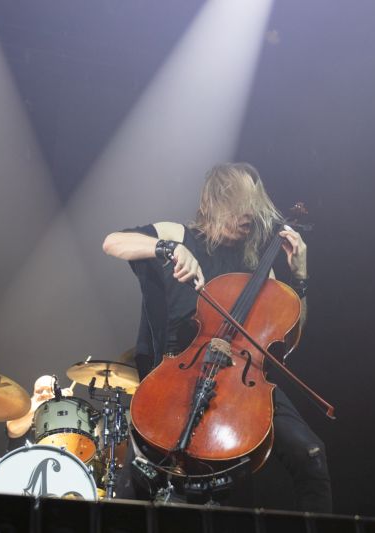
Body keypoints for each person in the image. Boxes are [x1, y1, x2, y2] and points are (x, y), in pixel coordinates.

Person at [102, 162, 331, 512]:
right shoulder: (179, 234)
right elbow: (112, 242)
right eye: (241, 205)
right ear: (214, 202)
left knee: (310, 453)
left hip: (242, 379)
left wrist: (300, 278)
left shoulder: (258, 266)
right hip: (179, 371)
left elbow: (290, 333)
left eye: (254, 208)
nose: (250, 216)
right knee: (138, 481)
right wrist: (167, 248)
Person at [6, 375, 73, 451]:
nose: (44, 394)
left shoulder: (63, 414)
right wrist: (49, 400)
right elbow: (13, 429)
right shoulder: (23, 408)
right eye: (39, 391)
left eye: (49, 390)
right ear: (33, 395)